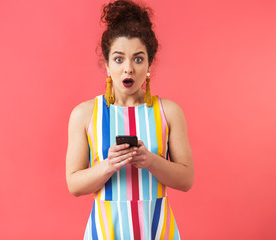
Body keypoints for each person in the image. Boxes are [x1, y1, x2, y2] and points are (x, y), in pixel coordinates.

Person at [66, 0, 194, 239]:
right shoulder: (84, 114)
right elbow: (74, 184)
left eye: (137, 59)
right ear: (106, 65)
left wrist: (151, 161)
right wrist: (108, 165)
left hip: (158, 229)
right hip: (106, 230)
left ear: (148, 65)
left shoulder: (169, 111)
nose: (128, 69)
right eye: (118, 59)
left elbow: (186, 179)